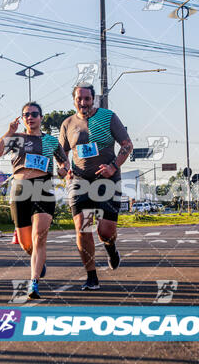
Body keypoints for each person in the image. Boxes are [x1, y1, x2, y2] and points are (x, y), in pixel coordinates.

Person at [0, 102, 69, 299]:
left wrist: (63, 171)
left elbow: (64, 163)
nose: (30, 117)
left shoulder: (50, 141)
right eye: (26, 114)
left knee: (39, 237)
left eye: (34, 114)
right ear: (22, 118)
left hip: (42, 187)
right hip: (20, 189)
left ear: (41, 117)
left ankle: (34, 283)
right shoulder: (16, 139)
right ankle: (38, 261)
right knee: (27, 244)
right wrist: (9, 132)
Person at [59, 84, 133, 290]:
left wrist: (113, 166)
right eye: (79, 98)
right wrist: (65, 169)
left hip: (106, 181)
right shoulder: (67, 124)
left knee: (105, 232)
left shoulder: (108, 117)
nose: (83, 103)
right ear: (74, 99)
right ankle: (91, 276)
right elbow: (61, 155)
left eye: (87, 99)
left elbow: (127, 144)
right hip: (80, 182)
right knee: (83, 229)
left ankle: (110, 248)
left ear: (94, 100)